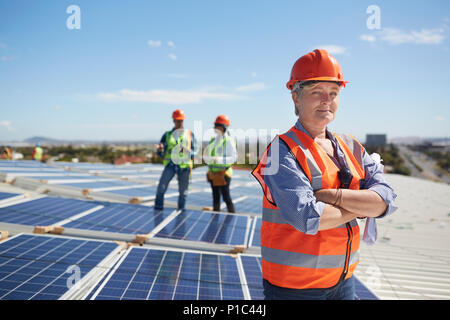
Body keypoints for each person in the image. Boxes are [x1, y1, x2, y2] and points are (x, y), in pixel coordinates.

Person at [252, 49, 397, 300]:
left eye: (333, 93)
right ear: (296, 97)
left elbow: (387, 199)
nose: (326, 101)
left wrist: (334, 196)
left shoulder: (352, 146)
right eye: (316, 92)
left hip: (343, 281)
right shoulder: (281, 152)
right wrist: (365, 205)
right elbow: (308, 218)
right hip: (295, 288)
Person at [154, 109, 197, 212]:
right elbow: (161, 152)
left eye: (181, 120)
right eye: (177, 120)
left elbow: (194, 152)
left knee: (183, 193)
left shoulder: (190, 134)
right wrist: (160, 150)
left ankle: (181, 213)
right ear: (173, 121)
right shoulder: (167, 135)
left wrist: (186, 151)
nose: (179, 122)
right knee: (161, 189)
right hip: (170, 165)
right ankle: (157, 211)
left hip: (184, 167)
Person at [203, 115, 237, 213]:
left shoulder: (228, 141)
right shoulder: (213, 141)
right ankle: (215, 217)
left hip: (224, 174)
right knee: (215, 198)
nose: (214, 128)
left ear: (223, 127)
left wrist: (219, 159)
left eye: (217, 126)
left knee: (226, 197)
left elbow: (233, 158)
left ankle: (232, 215)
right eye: (215, 126)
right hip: (213, 174)